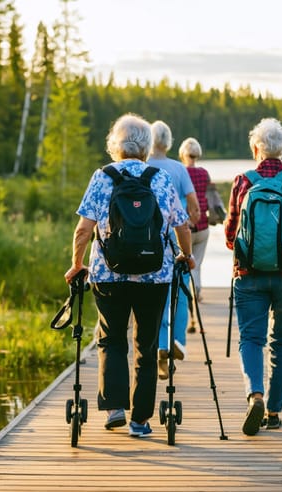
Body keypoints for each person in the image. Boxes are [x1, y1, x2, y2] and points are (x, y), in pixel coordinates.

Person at [65, 113, 194, 438]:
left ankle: (114, 409)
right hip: (155, 275)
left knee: (111, 339)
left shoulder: (102, 177)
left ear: (115, 145)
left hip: (108, 275)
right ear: (147, 146)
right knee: (146, 345)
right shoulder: (160, 177)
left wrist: (76, 263)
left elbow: (83, 229)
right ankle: (140, 421)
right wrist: (187, 256)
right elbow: (182, 225)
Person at [224, 118, 282, 436]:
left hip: (249, 273)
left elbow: (231, 232)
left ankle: (255, 396)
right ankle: (273, 412)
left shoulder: (242, 181)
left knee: (251, 338)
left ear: (255, 148)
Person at [147, 121, 200, 380]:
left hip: (146, 243)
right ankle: (177, 341)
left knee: (156, 298)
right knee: (179, 292)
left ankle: (160, 346)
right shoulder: (178, 169)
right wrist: (191, 223)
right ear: (168, 143)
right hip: (175, 240)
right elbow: (194, 205)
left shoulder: (142, 167)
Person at [179, 137, 212, 303]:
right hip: (203, 225)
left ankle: (189, 293)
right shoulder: (204, 173)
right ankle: (197, 290)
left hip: (185, 226)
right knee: (197, 263)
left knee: (187, 261)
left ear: (183, 154)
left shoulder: (181, 172)